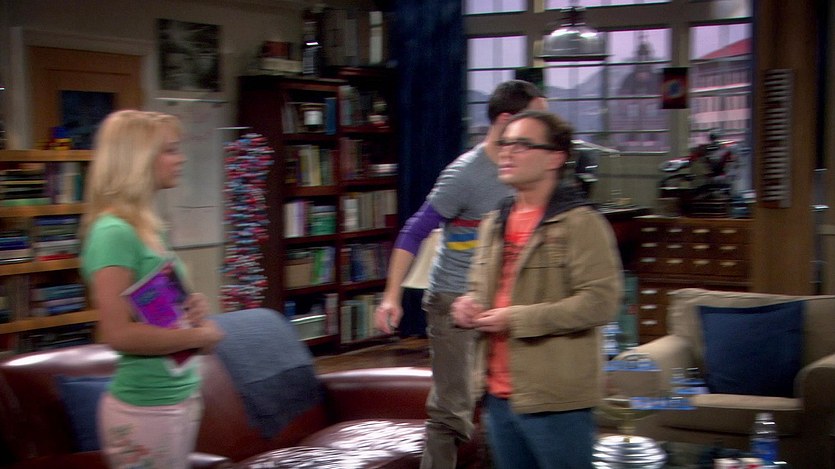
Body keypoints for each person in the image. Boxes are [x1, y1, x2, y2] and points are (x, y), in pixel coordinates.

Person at [374, 80, 547, 469]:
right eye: (536, 118)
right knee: (452, 409)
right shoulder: (465, 174)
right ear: (507, 121)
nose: (545, 129)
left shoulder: (531, 173)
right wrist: (391, 296)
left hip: (505, 302)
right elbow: (415, 231)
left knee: (506, 399)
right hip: (453, 299)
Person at [451, 110, 623, 469]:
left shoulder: (581, 223)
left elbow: (600, 303)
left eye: (522, 145)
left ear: (555, 158)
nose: (507, 152)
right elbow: (479, 289)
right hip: (497, 394)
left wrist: (516, 319)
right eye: (505, 143)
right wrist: (466, 306)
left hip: (555, 397)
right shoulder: (493, 222)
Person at [80, 110, 225, 469]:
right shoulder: (113, 232)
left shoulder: (149, 228)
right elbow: (118, 333)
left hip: (178, 397)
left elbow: (158, 311)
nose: (182, 158)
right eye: (170, 150)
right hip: (146, 408)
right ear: (138, 159)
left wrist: (193, 312)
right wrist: (197, 337)